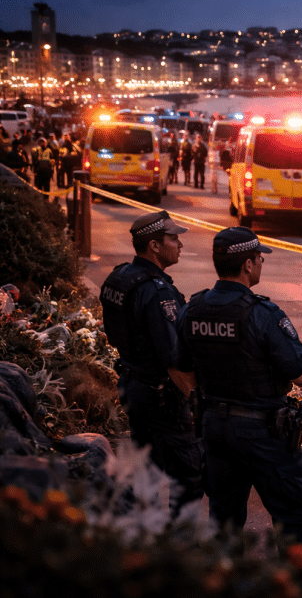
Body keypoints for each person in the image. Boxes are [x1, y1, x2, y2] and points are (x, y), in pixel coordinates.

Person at [176, 227, 302, 540]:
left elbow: (177, 365)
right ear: (248, 265)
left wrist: (200, 396)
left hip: (214, 427)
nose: (261, 265)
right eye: (259, 259)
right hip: (263, 431)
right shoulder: (262, 314)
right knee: (295, 515)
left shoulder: (193, 309)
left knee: (223, 520)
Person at [99, 211, 203, 514]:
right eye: (173, 239)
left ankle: (147, 531)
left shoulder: (120, 277)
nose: (180, 245)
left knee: (147, 469)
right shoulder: (158, 292)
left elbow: (113, 333)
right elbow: (174, 359)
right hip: (161, 398)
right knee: (188, 476)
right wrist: (197, 402)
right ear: (154, 246)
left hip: (133, 384)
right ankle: (178, 539)